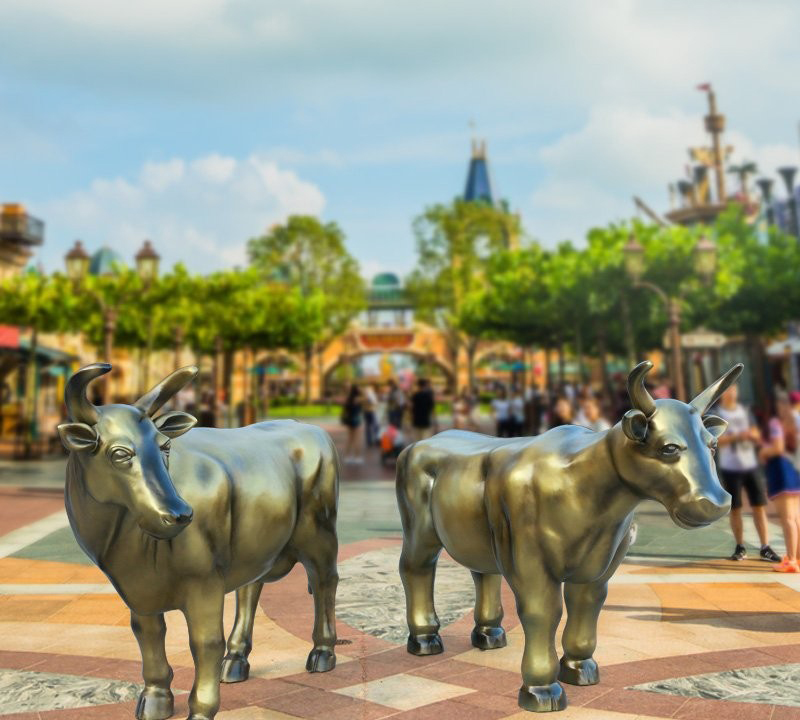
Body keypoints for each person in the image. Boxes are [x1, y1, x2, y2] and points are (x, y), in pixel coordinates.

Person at [716, 384, 780, 562]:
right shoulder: (718, 414)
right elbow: (717, 441)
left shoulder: (745, 411)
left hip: (750, 465)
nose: (732, 393)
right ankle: (740, 546)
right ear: (722, 394)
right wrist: (737, 436)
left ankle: (765, 547)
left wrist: (752, 435)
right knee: (735, 508)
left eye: (734, 390)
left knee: (759, 506)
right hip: (730, 467)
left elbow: (756, 434)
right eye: (728, 390)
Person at [759, 390, 800, 572]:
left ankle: (790, 560)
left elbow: (777, 448)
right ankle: (797, 558)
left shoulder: (777, 423)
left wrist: (763, 452)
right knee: (796, 518)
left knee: (787, 519)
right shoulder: (795, 421)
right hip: (795, 471)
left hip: (782, 472)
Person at [341, 384, 364, 464]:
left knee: (350, 439)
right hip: (356, 420)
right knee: (357, 439)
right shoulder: (358, 399)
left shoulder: (349, 398)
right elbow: (367, 398)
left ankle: (347, 456)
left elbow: (346, 409)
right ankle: (357, 457)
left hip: (349, 420)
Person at [363, 384, 379, 448]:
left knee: (369, 427)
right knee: (375, 426)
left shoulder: (365, 393)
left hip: (367, 411)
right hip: (371, 411)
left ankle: (370, 442)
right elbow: (374, 402)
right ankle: (375, 440)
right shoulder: (370, 393)